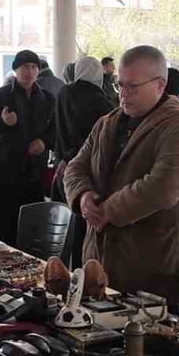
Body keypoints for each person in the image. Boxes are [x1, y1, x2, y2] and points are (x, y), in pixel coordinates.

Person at [64, 45, 179, 315]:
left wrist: (107, 211)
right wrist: (82, 196)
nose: (124, 94)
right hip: (103, 259)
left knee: (153, 350)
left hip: (155, 263)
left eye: (133, 87)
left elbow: (162, 187)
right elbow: (75, 167)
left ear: (160, 85)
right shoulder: (108, 122)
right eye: (119, 85)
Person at [0, 50, 55, 246]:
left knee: (34, 219)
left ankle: (33, 258)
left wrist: (45, 142)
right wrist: (4, 122)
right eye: (24, 67)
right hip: (8, 168)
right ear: (15, 70)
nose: (29, 72)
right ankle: (5, 258)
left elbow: (56, 129)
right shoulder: (1, 95)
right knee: (7, 219)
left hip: (35, 170)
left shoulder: (47, 98)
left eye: (33, 67)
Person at [54, 56, 116, 268]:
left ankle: (71, 269)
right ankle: (85, 270)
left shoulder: (64, 92)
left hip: (64, 166)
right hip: (87, 169)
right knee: (85, 223)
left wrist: (63, 157)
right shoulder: (98, 99)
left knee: (70, 221)